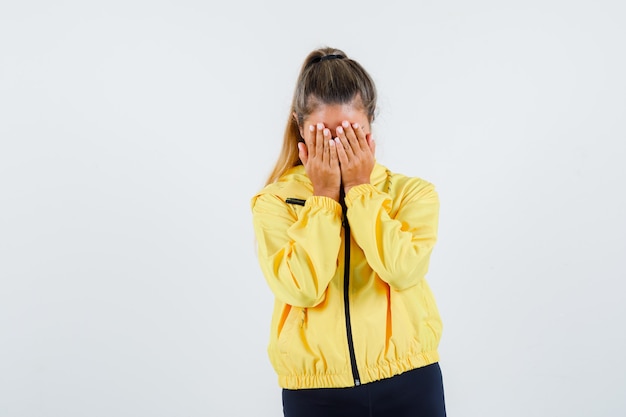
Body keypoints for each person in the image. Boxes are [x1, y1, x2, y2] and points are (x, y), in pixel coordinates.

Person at [250, 46, 447, 417]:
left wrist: (360, 191)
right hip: (315, 392)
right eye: (324, 134)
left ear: (370, 124)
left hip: (410, 378)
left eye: (350, 133)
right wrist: (323, 198)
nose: (337, 147)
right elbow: (301, 288)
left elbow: (403, 270)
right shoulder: (274, 202)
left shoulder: (412, 193)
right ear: (299, 127)